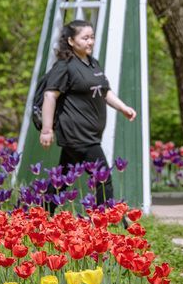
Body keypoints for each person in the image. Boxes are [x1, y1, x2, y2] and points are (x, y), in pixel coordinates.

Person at [39, 19, 136, 206]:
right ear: (71, 41)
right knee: (102, 177)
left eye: (92, 37)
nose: (90, 42)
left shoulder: (92, 63)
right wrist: (46, 129)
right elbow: (50, 96)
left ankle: (41, 216)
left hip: (90, 133)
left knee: (63, 177)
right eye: (84, 38)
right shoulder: (64, 66)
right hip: (77, 134)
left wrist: (123, 107)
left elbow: (104, 91)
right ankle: (106, 222)